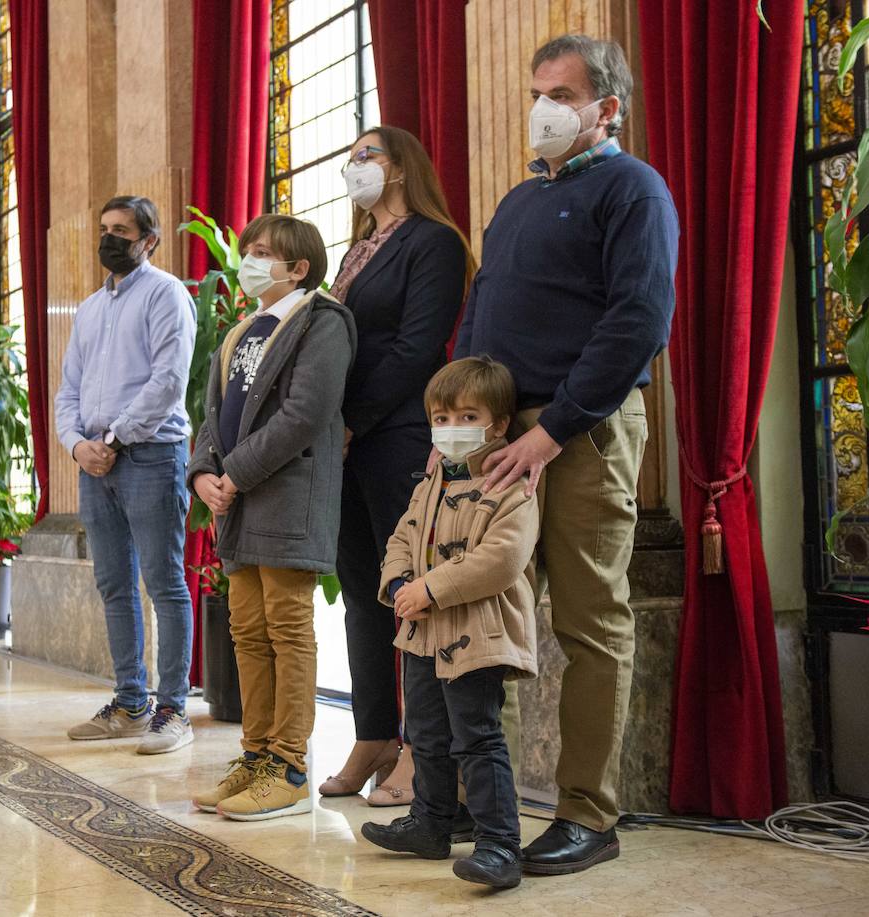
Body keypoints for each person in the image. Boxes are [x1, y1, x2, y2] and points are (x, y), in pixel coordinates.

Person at [453, 35, 679, 874]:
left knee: (587, 622)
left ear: (606, 107)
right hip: (503, 436)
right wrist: (468, 418)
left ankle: (589, 813)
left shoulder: (634, 189)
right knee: (485, 613)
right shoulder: (515, 202)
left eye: (561, 92)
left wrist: (553, 430)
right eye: (536, 90)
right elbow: (480, 314)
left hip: (584, 432)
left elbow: (635, 322)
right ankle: (480, 806)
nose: (542, 106)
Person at [187, 214, 356, 822]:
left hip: (286, 492)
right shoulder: (243, 330)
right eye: (249, 250)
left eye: (263, 253)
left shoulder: (322, 321)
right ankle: (255, 756)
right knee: (246, 630)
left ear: (299, 267)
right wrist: (203, 472)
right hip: (236, 497)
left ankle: (288, 765)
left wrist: (234, 473)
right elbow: (212, 412)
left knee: (287, 626)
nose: (249, 260)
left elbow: (305, 414)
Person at [324, 126, 473, 807]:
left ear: (404, 167)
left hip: (399, 436)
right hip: (346, 443)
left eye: (368, 155)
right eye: (350, 157)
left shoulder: (433, 242)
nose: (355, 166)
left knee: (412, 594)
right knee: (361, 593)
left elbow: (417, 349)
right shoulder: (354, 251)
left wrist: (356, 421)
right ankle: (373, 733)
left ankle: (423, 747)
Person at [361, 357, 538, 889]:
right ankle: (430, 823)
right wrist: (397, 585)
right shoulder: (434, 478)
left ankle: (500, 844)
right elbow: (401, 536)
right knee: (426, 735)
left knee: (477, 739)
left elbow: (503, 557)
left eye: (467, 416)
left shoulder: (513, 482)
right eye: (442, 417)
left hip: (476, 634)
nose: (452, 428)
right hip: (421, 634)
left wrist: (432, 588)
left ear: (498, 423)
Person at [57, 195, 198, 755]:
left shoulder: (167, 295)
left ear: (149, 240)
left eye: (122, 230)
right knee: (114, 584)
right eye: (104, 228)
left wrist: (112, 440)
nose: (109, 238)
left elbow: (168, 381)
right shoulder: (90, 308)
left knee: (164, 582)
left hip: (151, 455)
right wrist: (77, 447)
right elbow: (68, 389)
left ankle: (173, 709)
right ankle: (130, 703)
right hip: (95, 462)